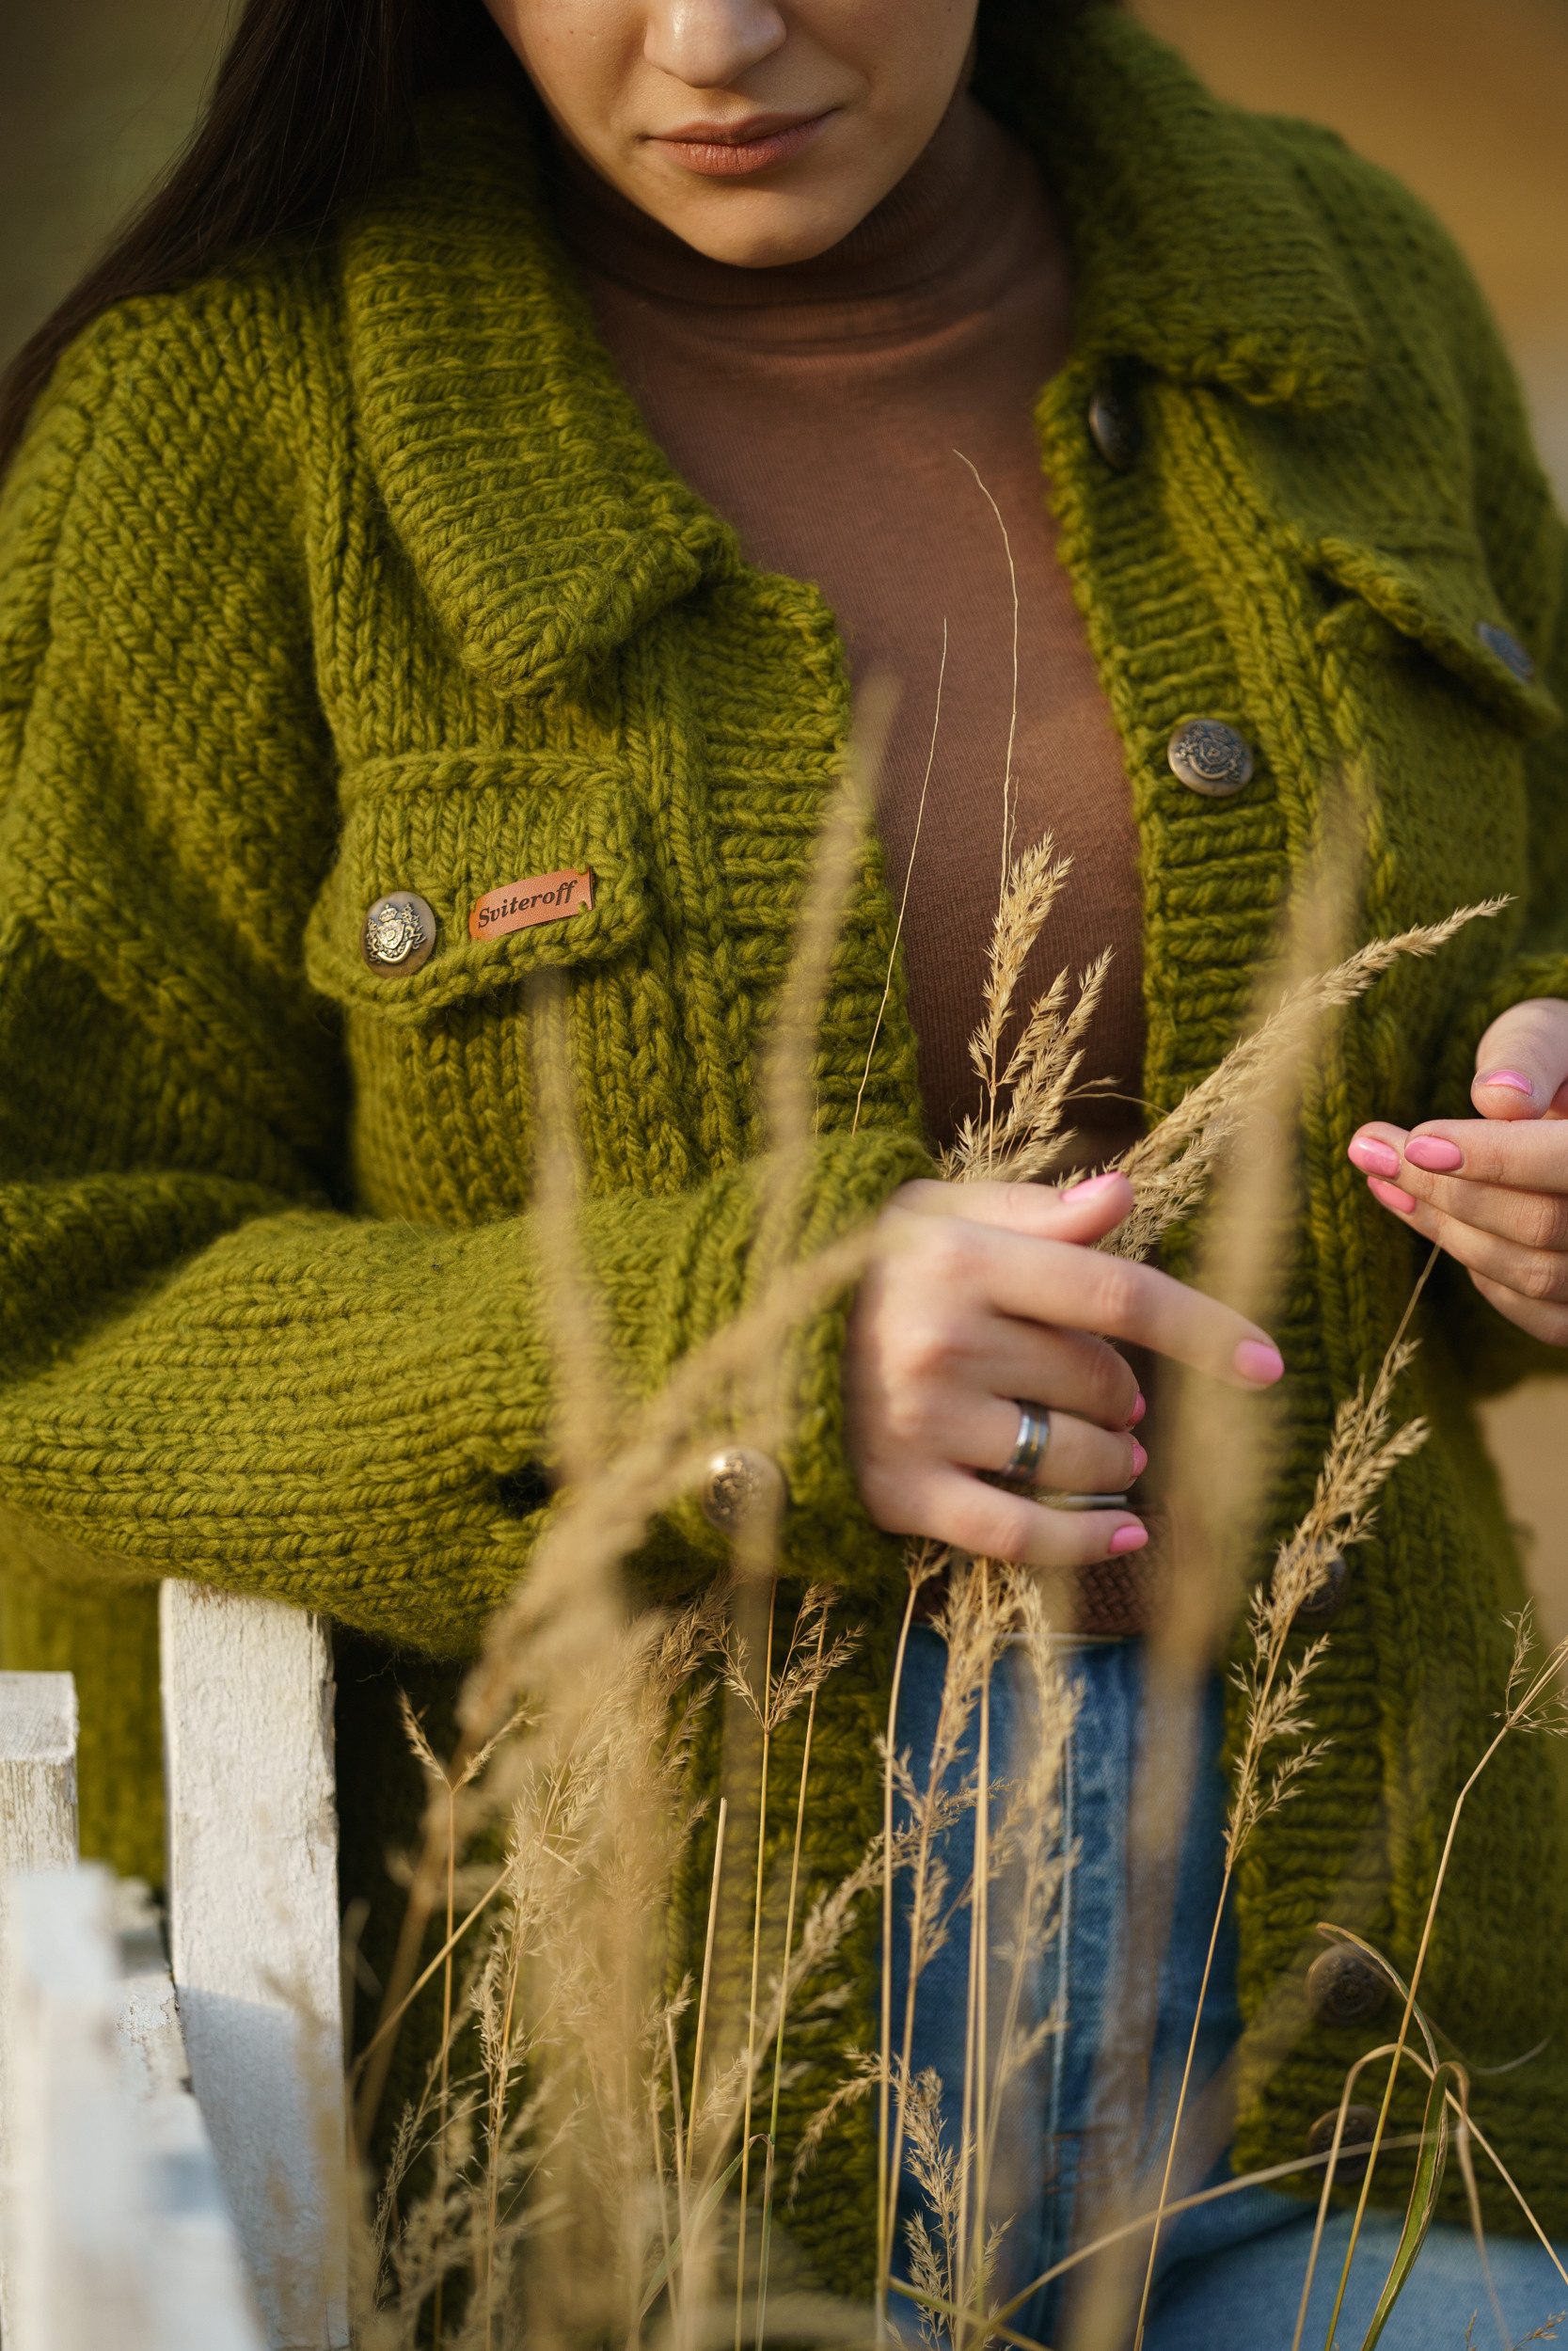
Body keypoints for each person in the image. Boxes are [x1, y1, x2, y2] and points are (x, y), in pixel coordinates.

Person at [1, 0, 1565, 2338]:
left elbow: (1518, 920)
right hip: (612, 2098)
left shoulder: (1346, 296)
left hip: (1363, 2009)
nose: (714, 35)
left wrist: (1528, 1121)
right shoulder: (228, 424)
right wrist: (728, 1364)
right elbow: (44, 1278)